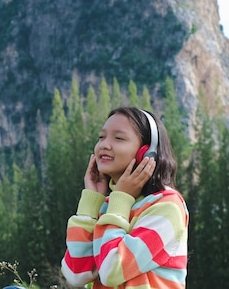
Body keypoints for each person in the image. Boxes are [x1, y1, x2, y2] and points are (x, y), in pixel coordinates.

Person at [60, 107, 188, 288]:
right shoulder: (109, 207)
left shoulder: (167, 206)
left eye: (118, 138)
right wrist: (91, 201)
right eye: (101, 137)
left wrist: (120, 199)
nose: (104, 144)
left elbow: (111, 270)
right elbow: (76, 275)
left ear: (146, 153)